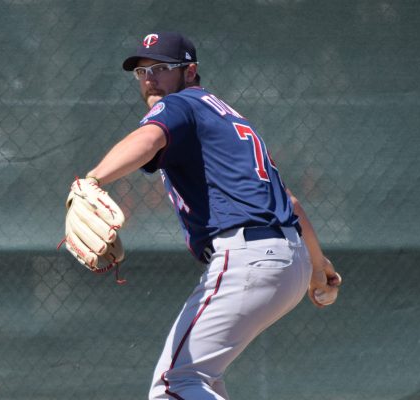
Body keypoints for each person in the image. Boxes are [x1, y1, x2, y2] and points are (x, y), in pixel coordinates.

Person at [84, 31, 341, 400]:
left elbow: (148, 140)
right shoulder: (223, 118)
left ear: (190, 72)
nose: (150, 79)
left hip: (248, 256)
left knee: (175, 384)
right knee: (201, 381)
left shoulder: (180, 105)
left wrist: (93, 180)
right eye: (141, 72)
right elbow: (290, 202)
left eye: (161, 68)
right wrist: (317, 264)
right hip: (286, 259)